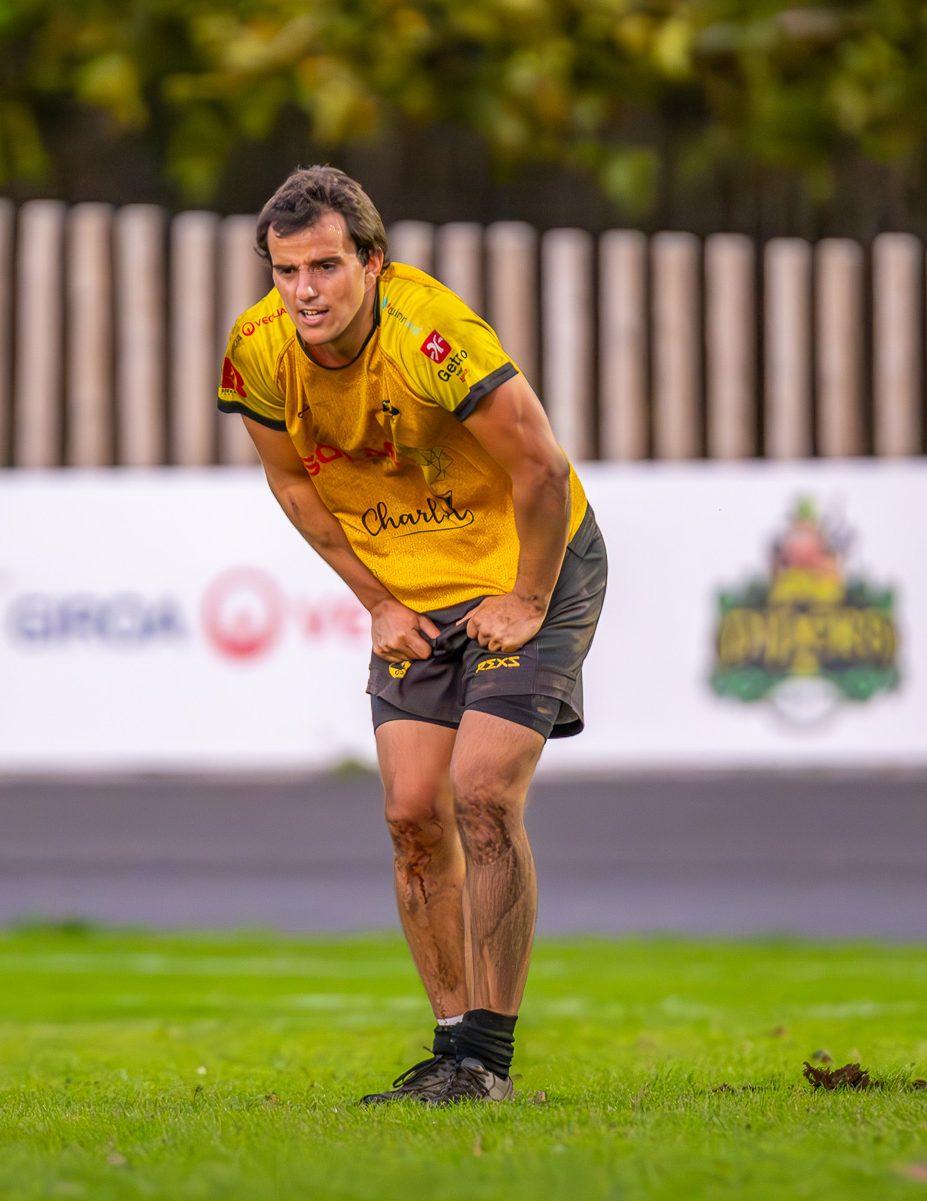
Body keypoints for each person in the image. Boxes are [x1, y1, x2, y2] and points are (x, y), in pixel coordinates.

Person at [217, 166, 607, 1105]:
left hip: (530, 565)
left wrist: (524, 598)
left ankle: (490, 1062)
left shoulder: (435, 340)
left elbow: (543, 469)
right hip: (413, 591)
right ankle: (449, 1049)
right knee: (411, 814)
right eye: (285, 270)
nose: (304, 290)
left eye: (324, 266)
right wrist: (376, 603)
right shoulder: (258, 350)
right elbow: (295, 486)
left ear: (373, 263)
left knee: (480, 792)